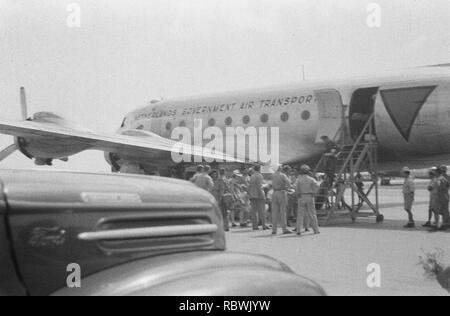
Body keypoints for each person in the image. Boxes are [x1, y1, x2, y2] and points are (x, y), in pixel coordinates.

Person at [295, 165, 320, 236]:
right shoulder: (311, 179)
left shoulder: (298, 179)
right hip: (309, 195)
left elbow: (295, 187)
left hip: (301, 196)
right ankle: (316, 230)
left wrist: (298, 193)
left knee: (300, 214)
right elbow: (317, 186)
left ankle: (298, 230)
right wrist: (314, 192)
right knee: (312, 213)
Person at [271, 165, 293, 235]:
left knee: (274, 212)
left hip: (274, 193)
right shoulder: (283, 175)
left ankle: (274, 230)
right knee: (283, 212)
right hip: (281, 192)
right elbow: (289, 184)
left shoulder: (273, 175)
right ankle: (284, 229)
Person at [248, 165, 268, 230]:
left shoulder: (252, 176)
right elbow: (259, 186)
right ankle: (264, 225)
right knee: (262, 210)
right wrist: (262, 193)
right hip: (259, 195)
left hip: (252, 195)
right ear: (259, 169)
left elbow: (250, 186)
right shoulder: (259, 176)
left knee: (254, 211)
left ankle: (255, 226)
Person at [437, 165, 450, 230]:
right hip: (446, 195)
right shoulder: (447, 177)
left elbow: (439, 187)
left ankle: (445, 224)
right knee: (445, 210)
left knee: (443, 210)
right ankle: (447, 222)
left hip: (442, 196)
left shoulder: (441, 178)